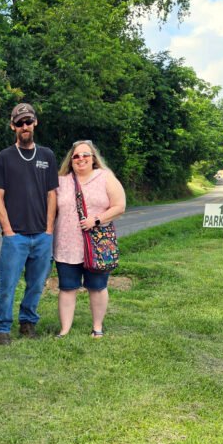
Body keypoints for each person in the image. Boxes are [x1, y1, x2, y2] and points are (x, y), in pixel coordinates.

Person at [0, 102, 58, 345]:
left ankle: (28, 322)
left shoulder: (47, 156)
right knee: (7, 283)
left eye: (28, 121)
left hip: (42, 235)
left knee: (37, 284)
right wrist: (8, 231)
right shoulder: (4, 158)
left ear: (35, 122)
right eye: (19, 123)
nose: (25, 126)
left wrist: (49, 229)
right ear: (13, 126)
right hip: (15, 236)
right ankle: (1, 328)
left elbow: (52, 194)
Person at [52, 139, 126, 338]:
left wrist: (97, 219)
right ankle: (65, 329)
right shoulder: (61, 181)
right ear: (71, 160)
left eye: (86, 155)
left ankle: (97, 327)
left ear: (93, 158)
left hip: (96, 245)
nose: (81, 158)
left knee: (97, 287)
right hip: (66, 245)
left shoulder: (105, 177)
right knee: (67, 288)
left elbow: (119, 206)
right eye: (76, 156)